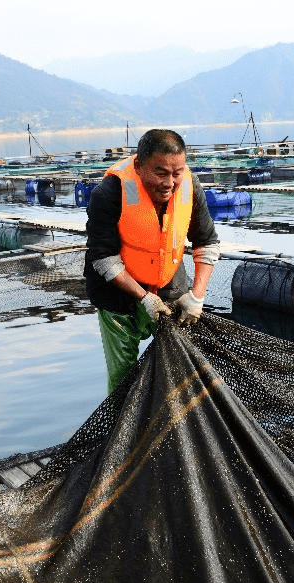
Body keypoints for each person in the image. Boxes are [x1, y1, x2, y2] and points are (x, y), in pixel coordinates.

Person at [84, 128, 221, 392]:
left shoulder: (190, 188)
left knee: (181, 368)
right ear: (139, 165)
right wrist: (143, 297)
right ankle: (123, 429)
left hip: (169, 285)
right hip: (117, 294)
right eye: (161, 173)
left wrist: (197, 296)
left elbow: (207, 243)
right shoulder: (109, 192)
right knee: (123, 376)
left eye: (177, 173)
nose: (170, 182)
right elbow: (103, 259)